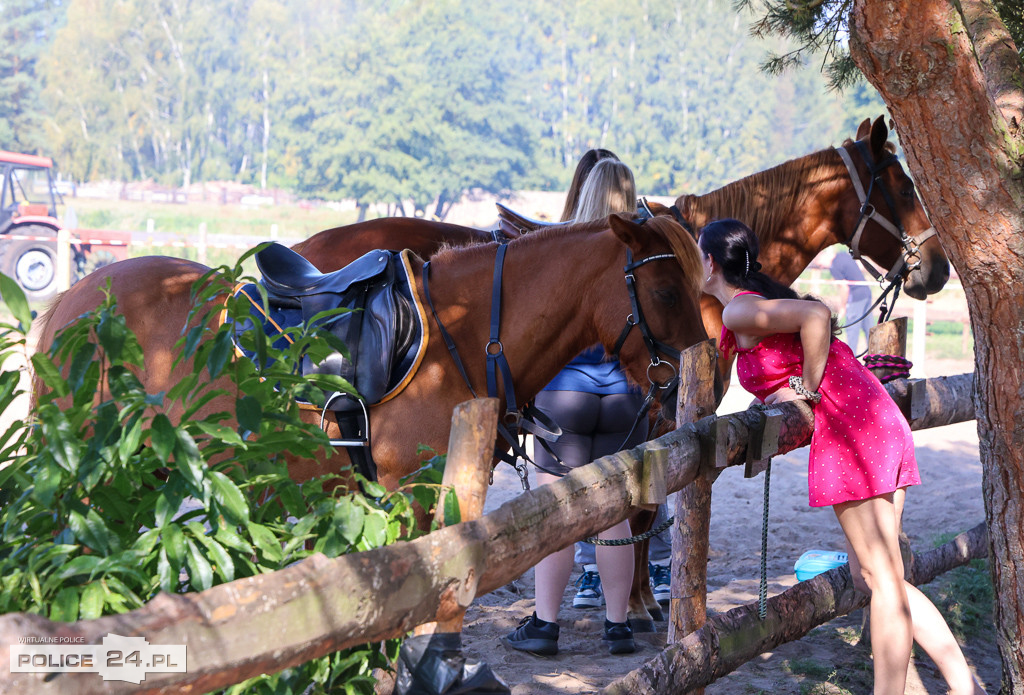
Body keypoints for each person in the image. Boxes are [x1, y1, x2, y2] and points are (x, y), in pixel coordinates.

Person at [698, 218, 984, 695]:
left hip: (853, 427)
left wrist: (805, 388)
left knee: (881, 578)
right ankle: (963, 684)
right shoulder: (751, 306)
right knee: (876, 574)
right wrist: (775, 394)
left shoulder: (737, 313)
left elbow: (816, 318)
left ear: (710, 263)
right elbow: (788, 354)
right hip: (872, 418)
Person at [504, 157, 641, 657]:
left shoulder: (563, 246)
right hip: (624, 395)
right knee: (614, 512)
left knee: (559, 510)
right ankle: (618, 625)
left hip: (565, 391)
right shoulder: (640, 249)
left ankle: (545, 624)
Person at [830, 249, 873, 354]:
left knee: (852, 331)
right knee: (870, 329)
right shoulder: (844, 254)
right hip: (866, 292)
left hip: (855, 298)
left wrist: (843, 307)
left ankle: (850, 361)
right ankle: (875, 358)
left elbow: (844, 288)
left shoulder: (833, 266)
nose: (822, 267)